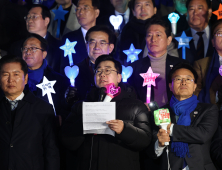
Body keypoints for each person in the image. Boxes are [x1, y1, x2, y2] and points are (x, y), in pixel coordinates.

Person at [60, 54, 152, 170]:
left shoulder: (136, 106)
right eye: (98, 71)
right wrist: (84, 122)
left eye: (108, 70)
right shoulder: (80, 106)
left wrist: (124, 129)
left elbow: (145, 141)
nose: (102, 74)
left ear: (119, 77)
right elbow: (67, 140)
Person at [153, 62, 218, 170]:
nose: (183, 82)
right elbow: (150, 146)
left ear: (195, 86)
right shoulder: (161, 111)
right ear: (170, 86)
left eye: (188, 79)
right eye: (178, 79)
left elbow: (203, 134)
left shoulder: (208, 109)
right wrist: (159, 144)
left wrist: (172, 128)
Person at [0, 55, 60, 170]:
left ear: (25, 79)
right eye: (5, 74)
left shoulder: (43, 108)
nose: (10, 80)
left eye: (16, 74)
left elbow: (51, 150)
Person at [128, 16, 185, 108]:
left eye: (158, 35)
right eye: (149, 35)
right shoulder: (134, 68)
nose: (153, 39)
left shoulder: (180, 65)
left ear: (169, 40)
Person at [22, 33, 70, 121]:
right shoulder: (14, 78)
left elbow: (66, 110)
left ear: (44, 54)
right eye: (25, 48)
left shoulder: (60, 81)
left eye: (33, 48)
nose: (28, 52)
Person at [65, 25, 115, 104]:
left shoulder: (120, 70)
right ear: (86, 46)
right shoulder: (74, 72)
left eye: (102, 43)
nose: (96, 47)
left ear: (111, 47)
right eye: (92, 42)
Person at [9, 4, 61, 73]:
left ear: (46, 21)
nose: (29, 21)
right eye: (27, 17)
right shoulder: (16, 47)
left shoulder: (60, 47)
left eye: (34, 17)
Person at [60, 0, 100, 68]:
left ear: (96, 12)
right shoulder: (68, 39)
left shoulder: (106, 36)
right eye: (78, 9)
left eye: (85, 8)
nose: (80, 12)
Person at [174, 0, 213, 64]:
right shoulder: (176, 40)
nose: (195, 13)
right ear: (187, 13)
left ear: (209, 12)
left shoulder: (218, 36)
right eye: (191, 9)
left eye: (200, 8)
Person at [193, 19, 222, 103]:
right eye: (220, 33)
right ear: (213, 42)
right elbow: (195, 92)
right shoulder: (201, 64)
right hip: (211, 112)